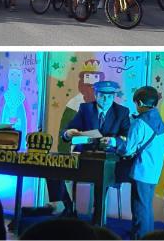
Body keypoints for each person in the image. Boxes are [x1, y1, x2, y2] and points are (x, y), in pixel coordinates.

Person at [48, 81, 131, 216]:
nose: (106, 100)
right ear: (95, 94)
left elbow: (126, 137)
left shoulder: (121, 112)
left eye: (110, 96)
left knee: (101, 173)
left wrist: (113, 141)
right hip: (85, 156)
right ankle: (67, 205)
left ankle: (97, 214)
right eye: (102, 96)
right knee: (53, 167)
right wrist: (68, 133)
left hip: (107, 160)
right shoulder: (86, 109)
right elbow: (69, 130)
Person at [102, 86, 164, 239]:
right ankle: (148, 235)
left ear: (139, 102)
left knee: (139, 208)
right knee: (146, 206)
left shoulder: (140, 123)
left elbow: (128, 150)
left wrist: (114, 142)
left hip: (142, 171)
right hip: (153, 170)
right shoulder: (158, 120)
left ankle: (140, 237)